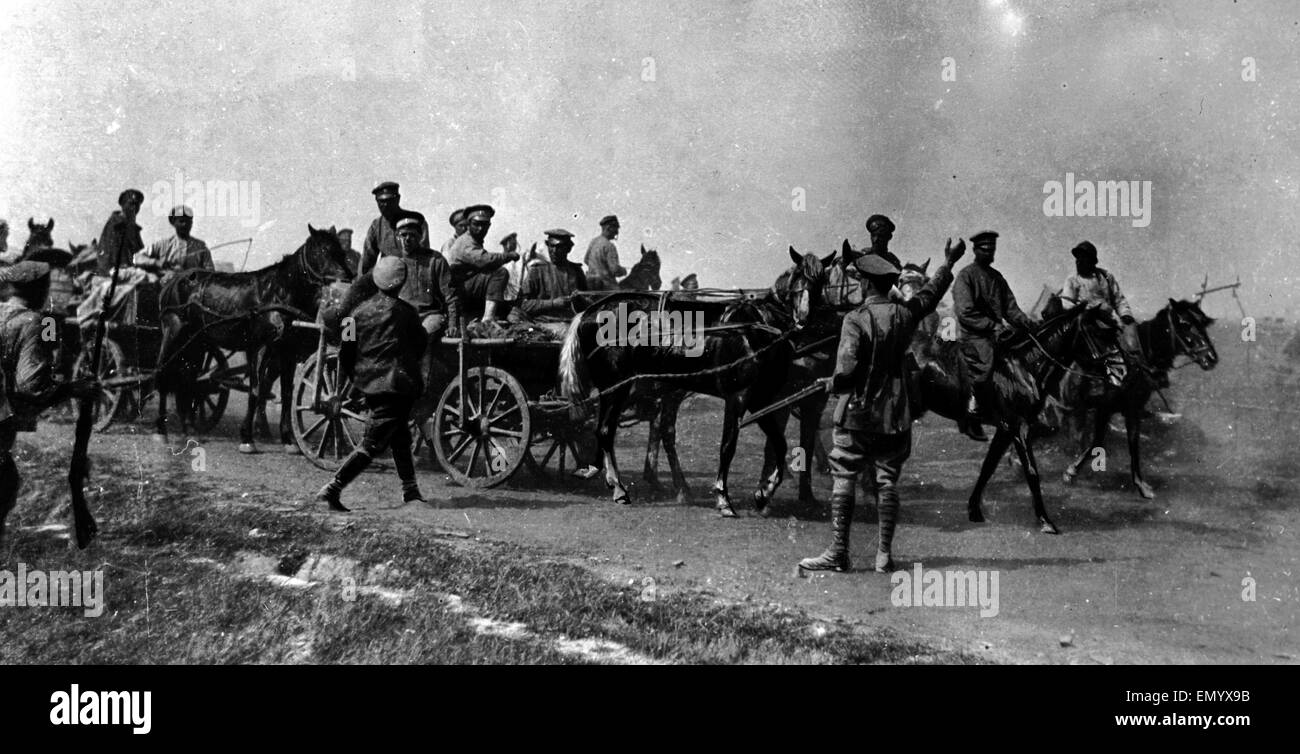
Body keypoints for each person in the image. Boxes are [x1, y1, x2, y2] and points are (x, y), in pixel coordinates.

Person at [798, 238, 965, 574]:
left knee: (844, 474)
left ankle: (838, 553)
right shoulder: (905, 314)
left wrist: (832, 383)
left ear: (864, 283)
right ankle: (883, 555)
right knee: (887, 480)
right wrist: (948, 262)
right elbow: (930, 295)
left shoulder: (854, 319)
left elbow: (846, 373)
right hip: (895, 415)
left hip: (856, 412)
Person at [316, 256, 428, 511]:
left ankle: (411, 492)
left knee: (399, 435)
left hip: (370, 385)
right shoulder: (407, 313)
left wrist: (357, 379)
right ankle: (330, 490)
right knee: (373, 444)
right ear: (401, 283)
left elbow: (346, 352)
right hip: (397, 386)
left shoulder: (356, 313)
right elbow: (420, 344)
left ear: (376, 281)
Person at [0, 261, 94, 541]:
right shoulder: (34, 322)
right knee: (4, 484)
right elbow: (31, 385)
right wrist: (73, 389)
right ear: (40, 289)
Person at [952, 230, 1036, 441]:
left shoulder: (997, 278)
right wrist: (992, 326)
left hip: (997, 333)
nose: (989, 254)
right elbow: (965, 312)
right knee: (986, 362)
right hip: (975, 336)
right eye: (985, 250)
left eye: (992, 250)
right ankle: (972, 414)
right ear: (976, 250)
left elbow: (1011, 308)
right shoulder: (965, 276)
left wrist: (1027, 323)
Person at [446, 204, 516, 325]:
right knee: (500, 272)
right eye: (476, 224)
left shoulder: (473, 241)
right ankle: (488, 318)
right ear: (469, 225)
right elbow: (485, 260)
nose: (480, 229)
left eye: (484, 225)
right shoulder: (465, 242)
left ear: (489, 226)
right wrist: (508, 256)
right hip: (457, 291)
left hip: (465, 288)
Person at [510, 229, 588, 329]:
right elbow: (524, 305)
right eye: (551, 246)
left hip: (572, 323)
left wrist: (579, 300)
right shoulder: (537, 271)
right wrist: (553, 303)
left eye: (559, 247)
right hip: (545, 324)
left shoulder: (576, 271)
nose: (554, 251)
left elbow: (586, 302)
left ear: (568, 248)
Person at [359, 181, 429, 275]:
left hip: (413, 274)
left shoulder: (415, 221)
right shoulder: (376, 226)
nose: (385, 205)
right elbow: (368, 259)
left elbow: (423, 254)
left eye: (390, 201)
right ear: (376, 201)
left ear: (398, 199)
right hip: (387, 276)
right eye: (381, 201)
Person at [133, 205, 214, 277]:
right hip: (166, 288)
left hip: (193, 289)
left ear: (191, 223)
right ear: (173, 223)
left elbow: (210, 272)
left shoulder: (200, 247)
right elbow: (136, 258)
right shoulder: (162, 245)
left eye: (188, 221)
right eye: (181, 221)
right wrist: (156, 262)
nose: (185, 224)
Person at [96, 189, 145, 274]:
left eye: (137, 204)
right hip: (115, 272)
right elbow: (107, 255)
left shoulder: (133, 229)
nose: (134, 208)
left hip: (131, 270)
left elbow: (139, 253)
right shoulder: (115, 225)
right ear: (123, 205)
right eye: (131, 203)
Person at [584, 215, 625, 290]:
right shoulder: (609, 246)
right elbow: (615, 270)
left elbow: (586, 260)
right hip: (606, 287)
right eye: (615, 228)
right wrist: (623, 271)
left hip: (591, 286)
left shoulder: (594, 241)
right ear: (608, 228)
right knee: (624, 300)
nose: (617, 232)